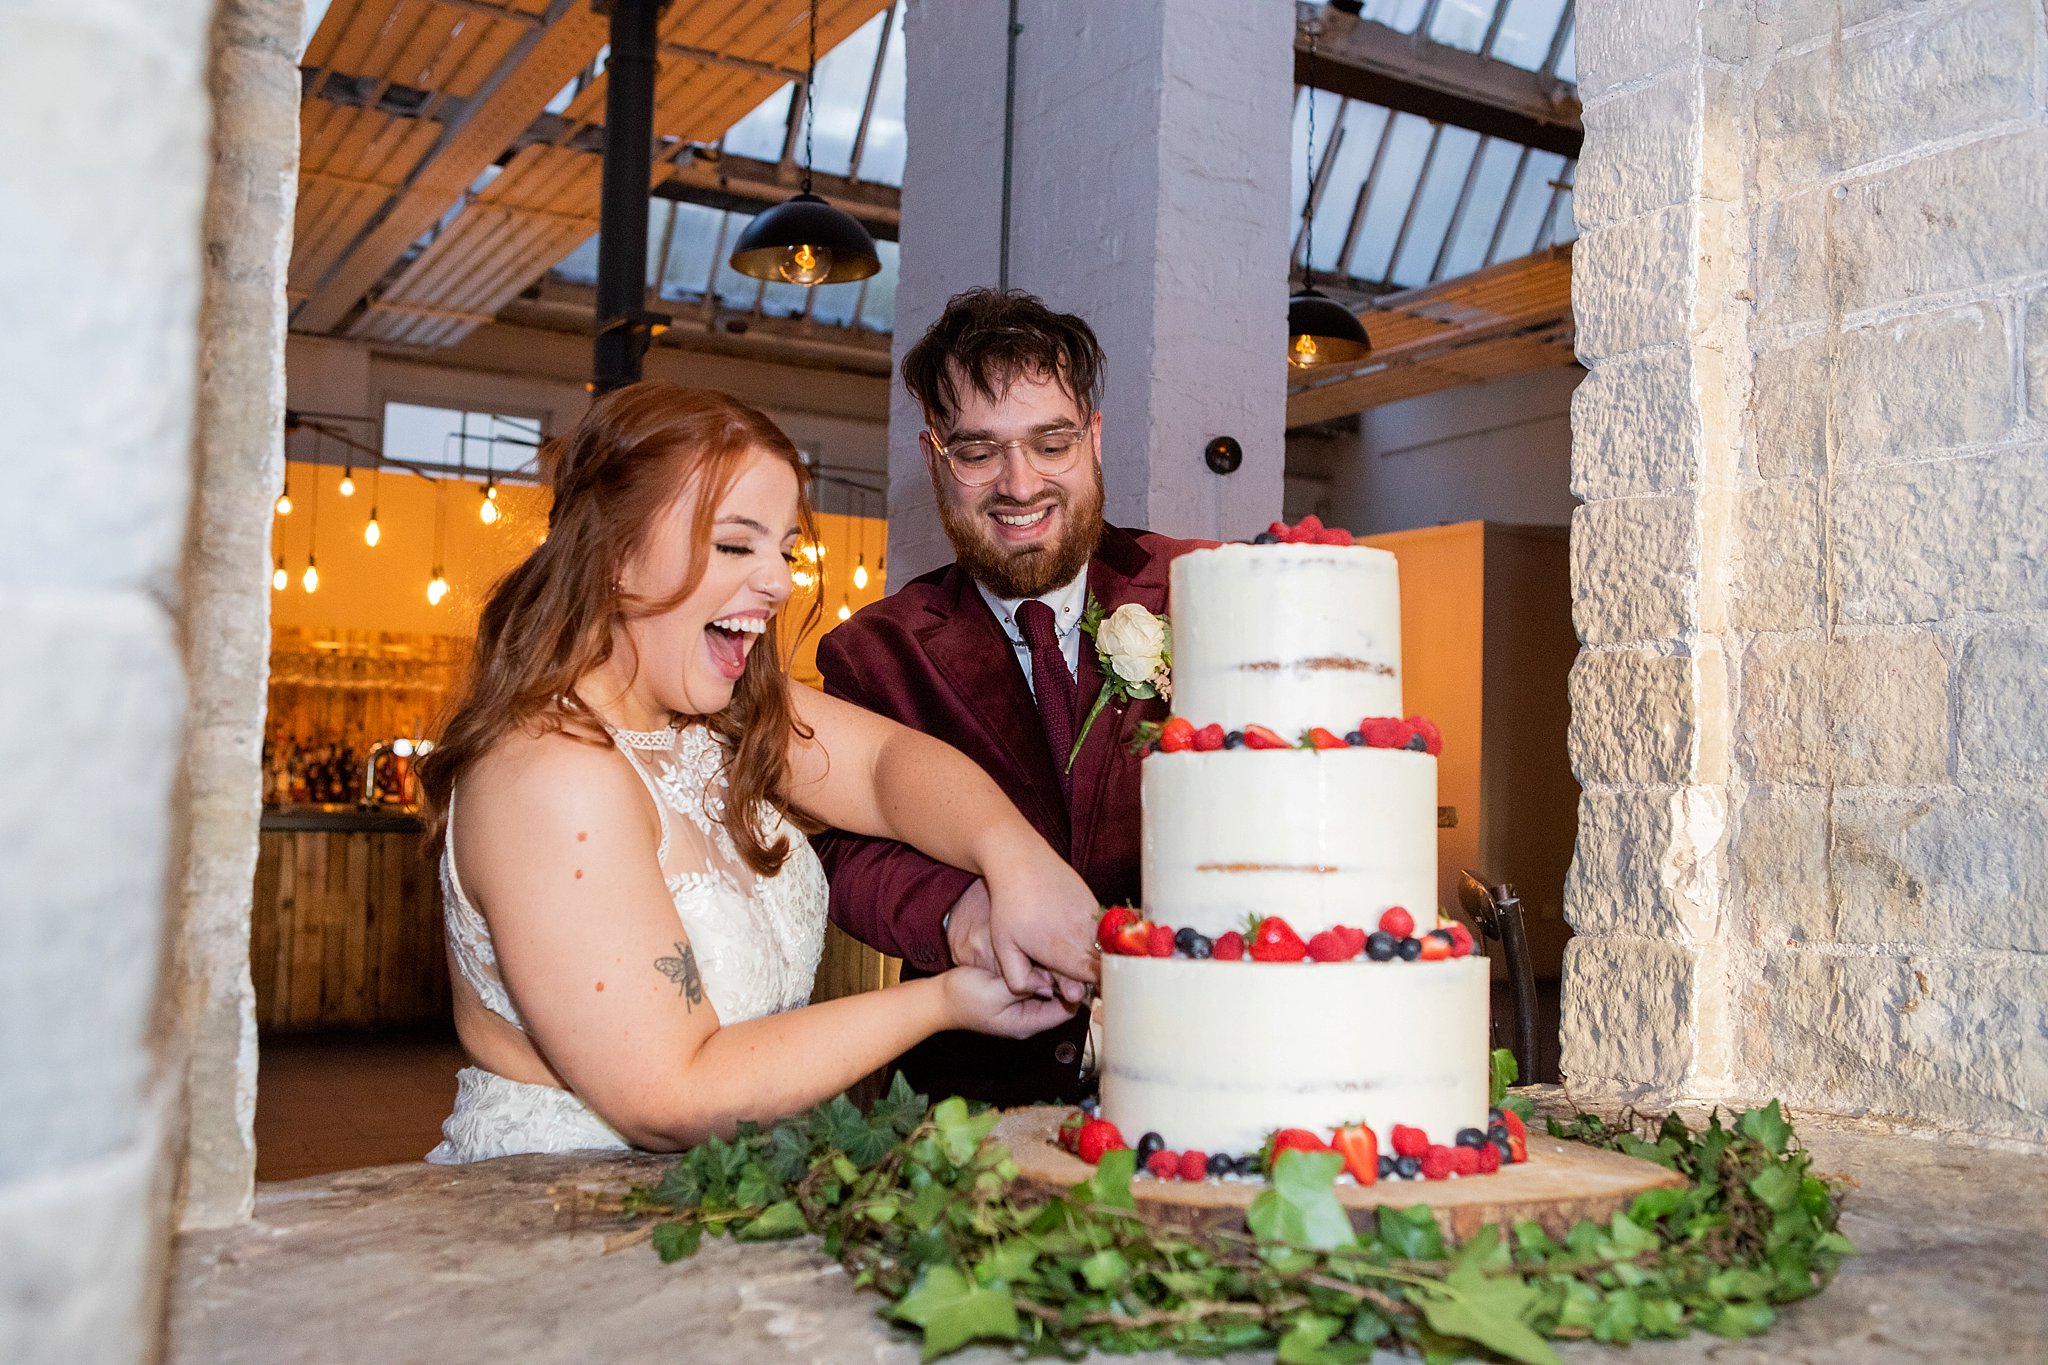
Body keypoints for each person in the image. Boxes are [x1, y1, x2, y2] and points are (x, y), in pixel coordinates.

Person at [414, 383, 1095, 1162]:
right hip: (568, 1209)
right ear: (615, 555)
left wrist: (1014, 858)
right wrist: (941, 1001)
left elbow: (886, 767)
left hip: (720, 1193)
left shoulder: (719, 714)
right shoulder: (551, 774)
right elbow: (670, 1098)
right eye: (738, 546)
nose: (778, 582)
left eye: (785, 551)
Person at [818, 289, 1210, 1108]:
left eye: (1051, 443)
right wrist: (958, 910)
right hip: (974, 1095)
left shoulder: (1202, 589)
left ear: (1094, 439)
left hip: (1203, 1076)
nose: (1019, 483)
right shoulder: (876, 653)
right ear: (933, 458)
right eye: (977, 451)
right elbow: (842, 850)